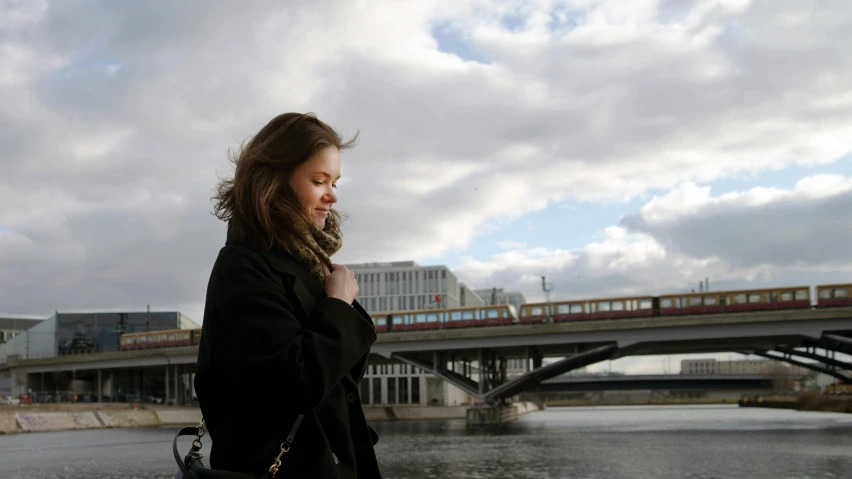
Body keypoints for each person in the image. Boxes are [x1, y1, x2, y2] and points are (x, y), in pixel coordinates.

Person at [194, 113, 382, 478]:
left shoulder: (308, 265)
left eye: (335, 181)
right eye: (318, 180)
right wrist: (338, 305)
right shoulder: (243, 267)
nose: (332, 194)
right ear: (275, 182)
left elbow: (335, 378)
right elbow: (299, 382)